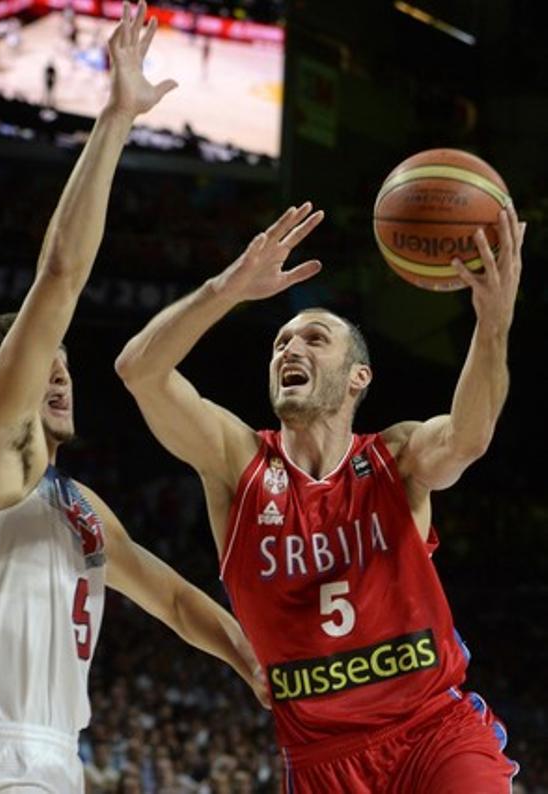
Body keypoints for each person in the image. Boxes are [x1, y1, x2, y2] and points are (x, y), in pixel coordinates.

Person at [0, 4, 267, 792]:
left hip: (52, 760)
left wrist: (256, 661)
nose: (63, 373)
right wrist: (115, 119)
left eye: (66, 364)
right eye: (47, 363)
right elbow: (60, 276)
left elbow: (176, 602)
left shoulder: (79, 508)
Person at [115, 201, 526, 792]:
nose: (289, 349)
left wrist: (492, 325)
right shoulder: (240, 466)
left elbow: (468, 437)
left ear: (357, 377)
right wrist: (227, 288)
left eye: (314, 338)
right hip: (321, 758)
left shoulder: (395, 458)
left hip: (431, 732)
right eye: (280, 342)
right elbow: (139, 372)